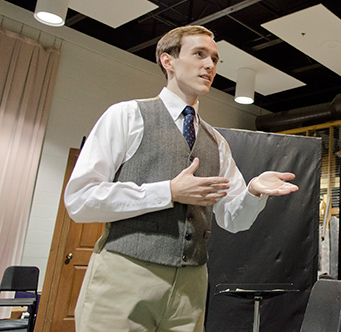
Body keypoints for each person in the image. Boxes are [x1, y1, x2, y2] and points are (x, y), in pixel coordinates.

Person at [65, 25, 299, 332]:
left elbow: (233, 219)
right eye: (199, 54)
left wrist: (254, 193)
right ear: (168, 61)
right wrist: (169, 191)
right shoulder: (126, 116)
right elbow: (81, 199)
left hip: (191, 287)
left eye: (215, 59)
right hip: (125, 276)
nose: (210, 65)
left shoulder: (216, 142)